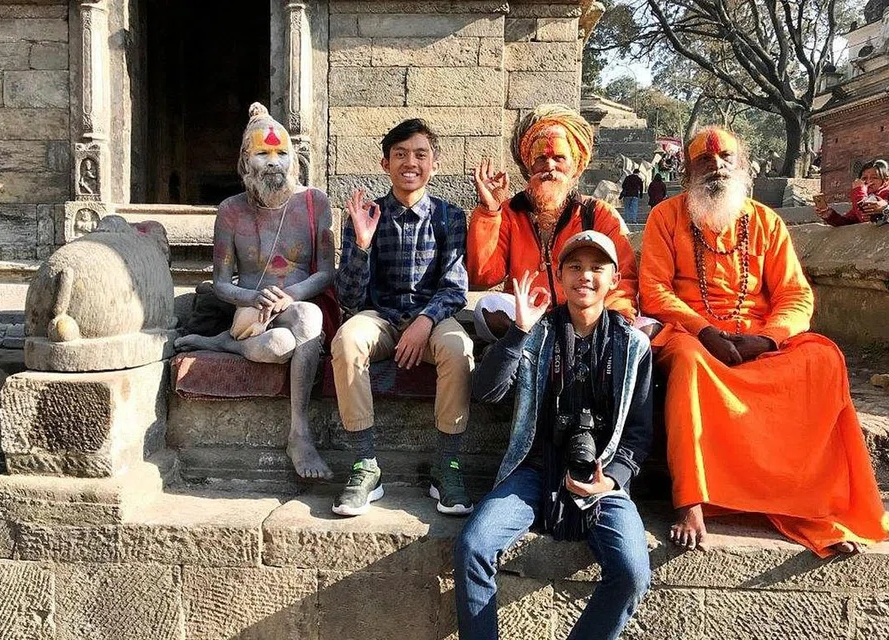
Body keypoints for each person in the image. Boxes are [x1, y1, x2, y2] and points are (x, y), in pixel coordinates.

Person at [639, 126, 889, 556]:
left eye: (726, 159)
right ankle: (692, 499)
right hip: (692, 335)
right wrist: (703, 330)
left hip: (758, 338)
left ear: (742, 168)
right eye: (705, 161)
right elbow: (654, 290)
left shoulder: (766, 222)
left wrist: (768, 339)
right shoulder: (666, 216)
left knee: (823, 358)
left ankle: (808, 502)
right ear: (688, 173)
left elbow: (795, 294)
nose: (717, 167)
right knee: (688, 363)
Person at [455, 231, 653, 640]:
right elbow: (486, 392)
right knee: (472, 547)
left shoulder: (633, 346)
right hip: (535, 469)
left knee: (632, 572)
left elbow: (638, 434)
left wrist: (612, 478)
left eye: (597, 268)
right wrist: (517, 332)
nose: (585, 276)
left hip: (602, 475)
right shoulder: (538, 333)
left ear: (614, 280)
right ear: (559, 276)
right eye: (575, 267)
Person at [174, 103, 334, 480]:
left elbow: (327, 272)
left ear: (294, 159)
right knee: (278, 345)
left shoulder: (315, 202)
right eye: (263, 154)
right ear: (245, 162)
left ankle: (299, 435)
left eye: (281, 153)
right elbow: (220, 283)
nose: (273, 162)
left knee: (309, 317)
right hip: (251, 317)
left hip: (298, 305)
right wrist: (252, 297)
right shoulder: (231, 210)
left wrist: (290, 295)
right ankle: (224, 342)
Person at [331, 118, 474, 517]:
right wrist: (361, 246)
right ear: (385, 163)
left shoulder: (449, 217)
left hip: (431, 320)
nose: (410, 162)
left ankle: (447, 464)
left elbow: (454, 287)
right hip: (380, 317)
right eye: (400, 154)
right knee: (347, 341)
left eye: (420, 154)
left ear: (434, 164)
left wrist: (424, 322)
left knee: (458, 349)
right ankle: (365, 464)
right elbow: (349, 297)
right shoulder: (366, 214)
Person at [467, 103, 638, 344]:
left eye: (559, 158)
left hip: (584, 313)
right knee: (487, 309)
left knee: (640, 331)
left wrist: (615, 320)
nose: (549, 167)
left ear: (574, 166)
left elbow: (623, 279)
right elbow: (483, 277)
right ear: (529, 165)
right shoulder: (510, 211)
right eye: (541, 158)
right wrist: (489, 211)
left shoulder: (598, 213)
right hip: (528, 315)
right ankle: (548, 343)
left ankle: (555, 344)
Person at [815, 159, 889, 226]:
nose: (868, 181)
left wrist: (858, 191)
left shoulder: (887, 195)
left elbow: (864, 217)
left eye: (874, 177)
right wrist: (829, 215)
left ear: (886, 180)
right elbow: (848, 222)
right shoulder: (868, 196)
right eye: (864, 178)